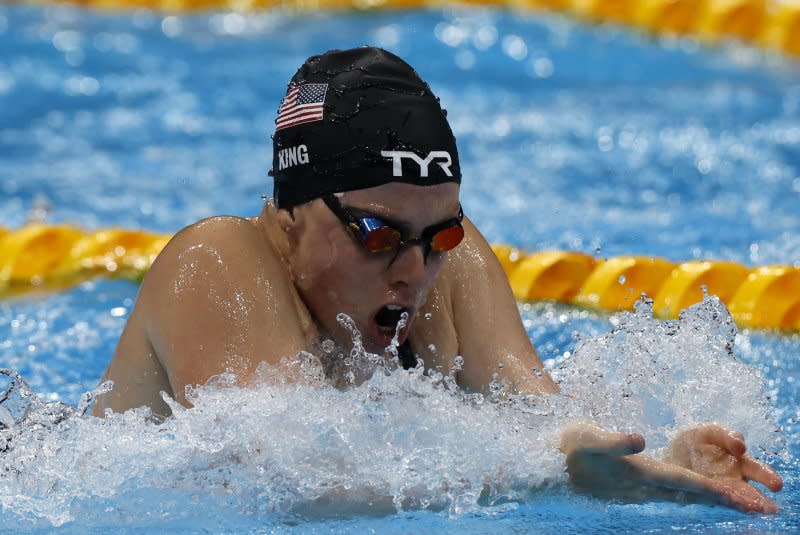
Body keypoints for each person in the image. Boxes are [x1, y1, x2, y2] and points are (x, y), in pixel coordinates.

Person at [91, 47, 782, 513]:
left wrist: (654, 455)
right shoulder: (215, 262)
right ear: (294, 210)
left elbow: (544, 419)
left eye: (440, 234)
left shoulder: (447, 265)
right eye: (378, 236)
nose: (416, 271)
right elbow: (283, 483)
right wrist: (544, 468)